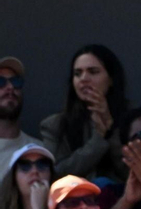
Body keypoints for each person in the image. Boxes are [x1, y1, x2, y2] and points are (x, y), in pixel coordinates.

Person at [37, 46, 127, 183]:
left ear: (111, 79)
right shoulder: (54, 125)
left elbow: (132, 172)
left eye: (93, 72)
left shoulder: (132, 118)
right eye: (77, 73)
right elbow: (55, 174)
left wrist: (111, 131)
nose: (84, 79)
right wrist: (99, 137)